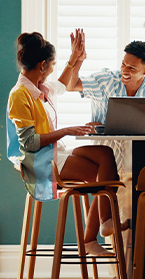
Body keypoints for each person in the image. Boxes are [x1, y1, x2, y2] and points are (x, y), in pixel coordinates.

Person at [58, 32, 145, 279]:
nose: (125, 71)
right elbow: (70, 85)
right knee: (122, 200)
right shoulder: (107, 79)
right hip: (107, 153)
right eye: (124, 64)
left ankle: (137, 272)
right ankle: (119, 275)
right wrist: (76, 60)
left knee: (138, 201)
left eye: (132, 68)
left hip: (140, 155)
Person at [7, 30, 120, 256]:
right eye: (52, 65)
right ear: (42, 65)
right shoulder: (20, 95)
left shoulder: (40, 89)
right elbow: (29, 143)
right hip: (41, 162)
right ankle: (94, 233)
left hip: (56, 153)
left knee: (105, 155)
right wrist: (67, 130)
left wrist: (74, 59)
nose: (52, 70)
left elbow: (61, 85)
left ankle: (103, 223)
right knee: (103, 175)